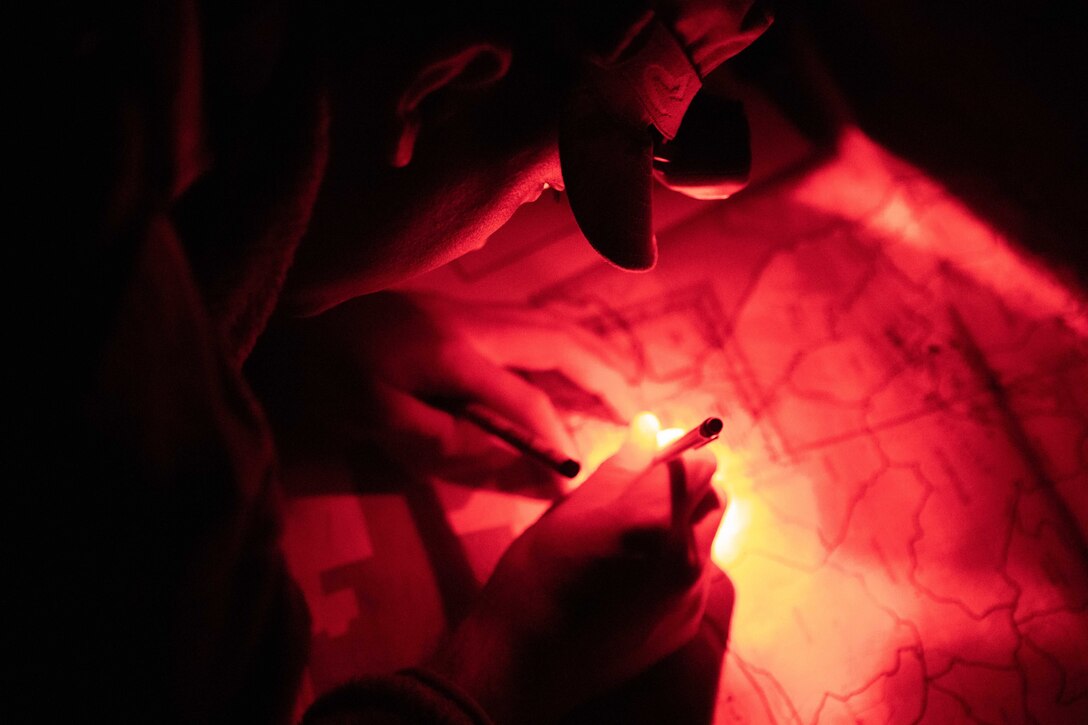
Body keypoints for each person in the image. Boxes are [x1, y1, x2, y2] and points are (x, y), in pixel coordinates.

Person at [19, 0, 771, 722]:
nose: (486, 241)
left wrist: (280, 311)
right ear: (440, 90)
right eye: (541, 187)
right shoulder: (125, 432)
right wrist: (512, 661)